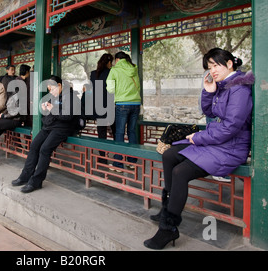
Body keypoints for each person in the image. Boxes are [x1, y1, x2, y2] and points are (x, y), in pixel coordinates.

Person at [144, 48, 254, 250]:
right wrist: (208, 91)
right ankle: (167, 208)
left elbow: (231, 127)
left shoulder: (240, 89)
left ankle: (168, 228)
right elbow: (209, 110)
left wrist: (199, 137)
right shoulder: (223, 86)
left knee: (180, 172)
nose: (212, 70)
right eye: (209, 66)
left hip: (230, 148)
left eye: (215, 65)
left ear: (229, 63)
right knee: (169, 154)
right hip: (217, 142)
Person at [11, 75, 82, 193]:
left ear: (59, 85)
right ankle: (25, 176)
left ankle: (36, 181)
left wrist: (53, 109)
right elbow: (48, 114)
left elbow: (68, 116)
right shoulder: (52, 97)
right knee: (34, 145)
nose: (50, 91)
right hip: (49, 126)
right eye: (49, 89)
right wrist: (45, 108)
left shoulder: (71, 97)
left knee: (44, 149)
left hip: (63, 128)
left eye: (52, 88)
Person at [106, 51, 141, 170]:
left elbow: (110, 89)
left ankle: (118, 163)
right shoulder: (134, 69)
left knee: (120, 132)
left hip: (122, 104)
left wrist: (119, 91)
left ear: (117, 60)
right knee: (131, 131)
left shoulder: (114, 70)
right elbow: (138, 87)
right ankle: (132, 162)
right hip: (136, 103)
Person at [89, 53, 115, 163]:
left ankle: (102, 157)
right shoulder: (111, 72)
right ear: (109, 62)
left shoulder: (93, 74)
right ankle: (118, 157)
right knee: (116, 132)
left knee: (101, 133)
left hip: (98, 106)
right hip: (111, 106)